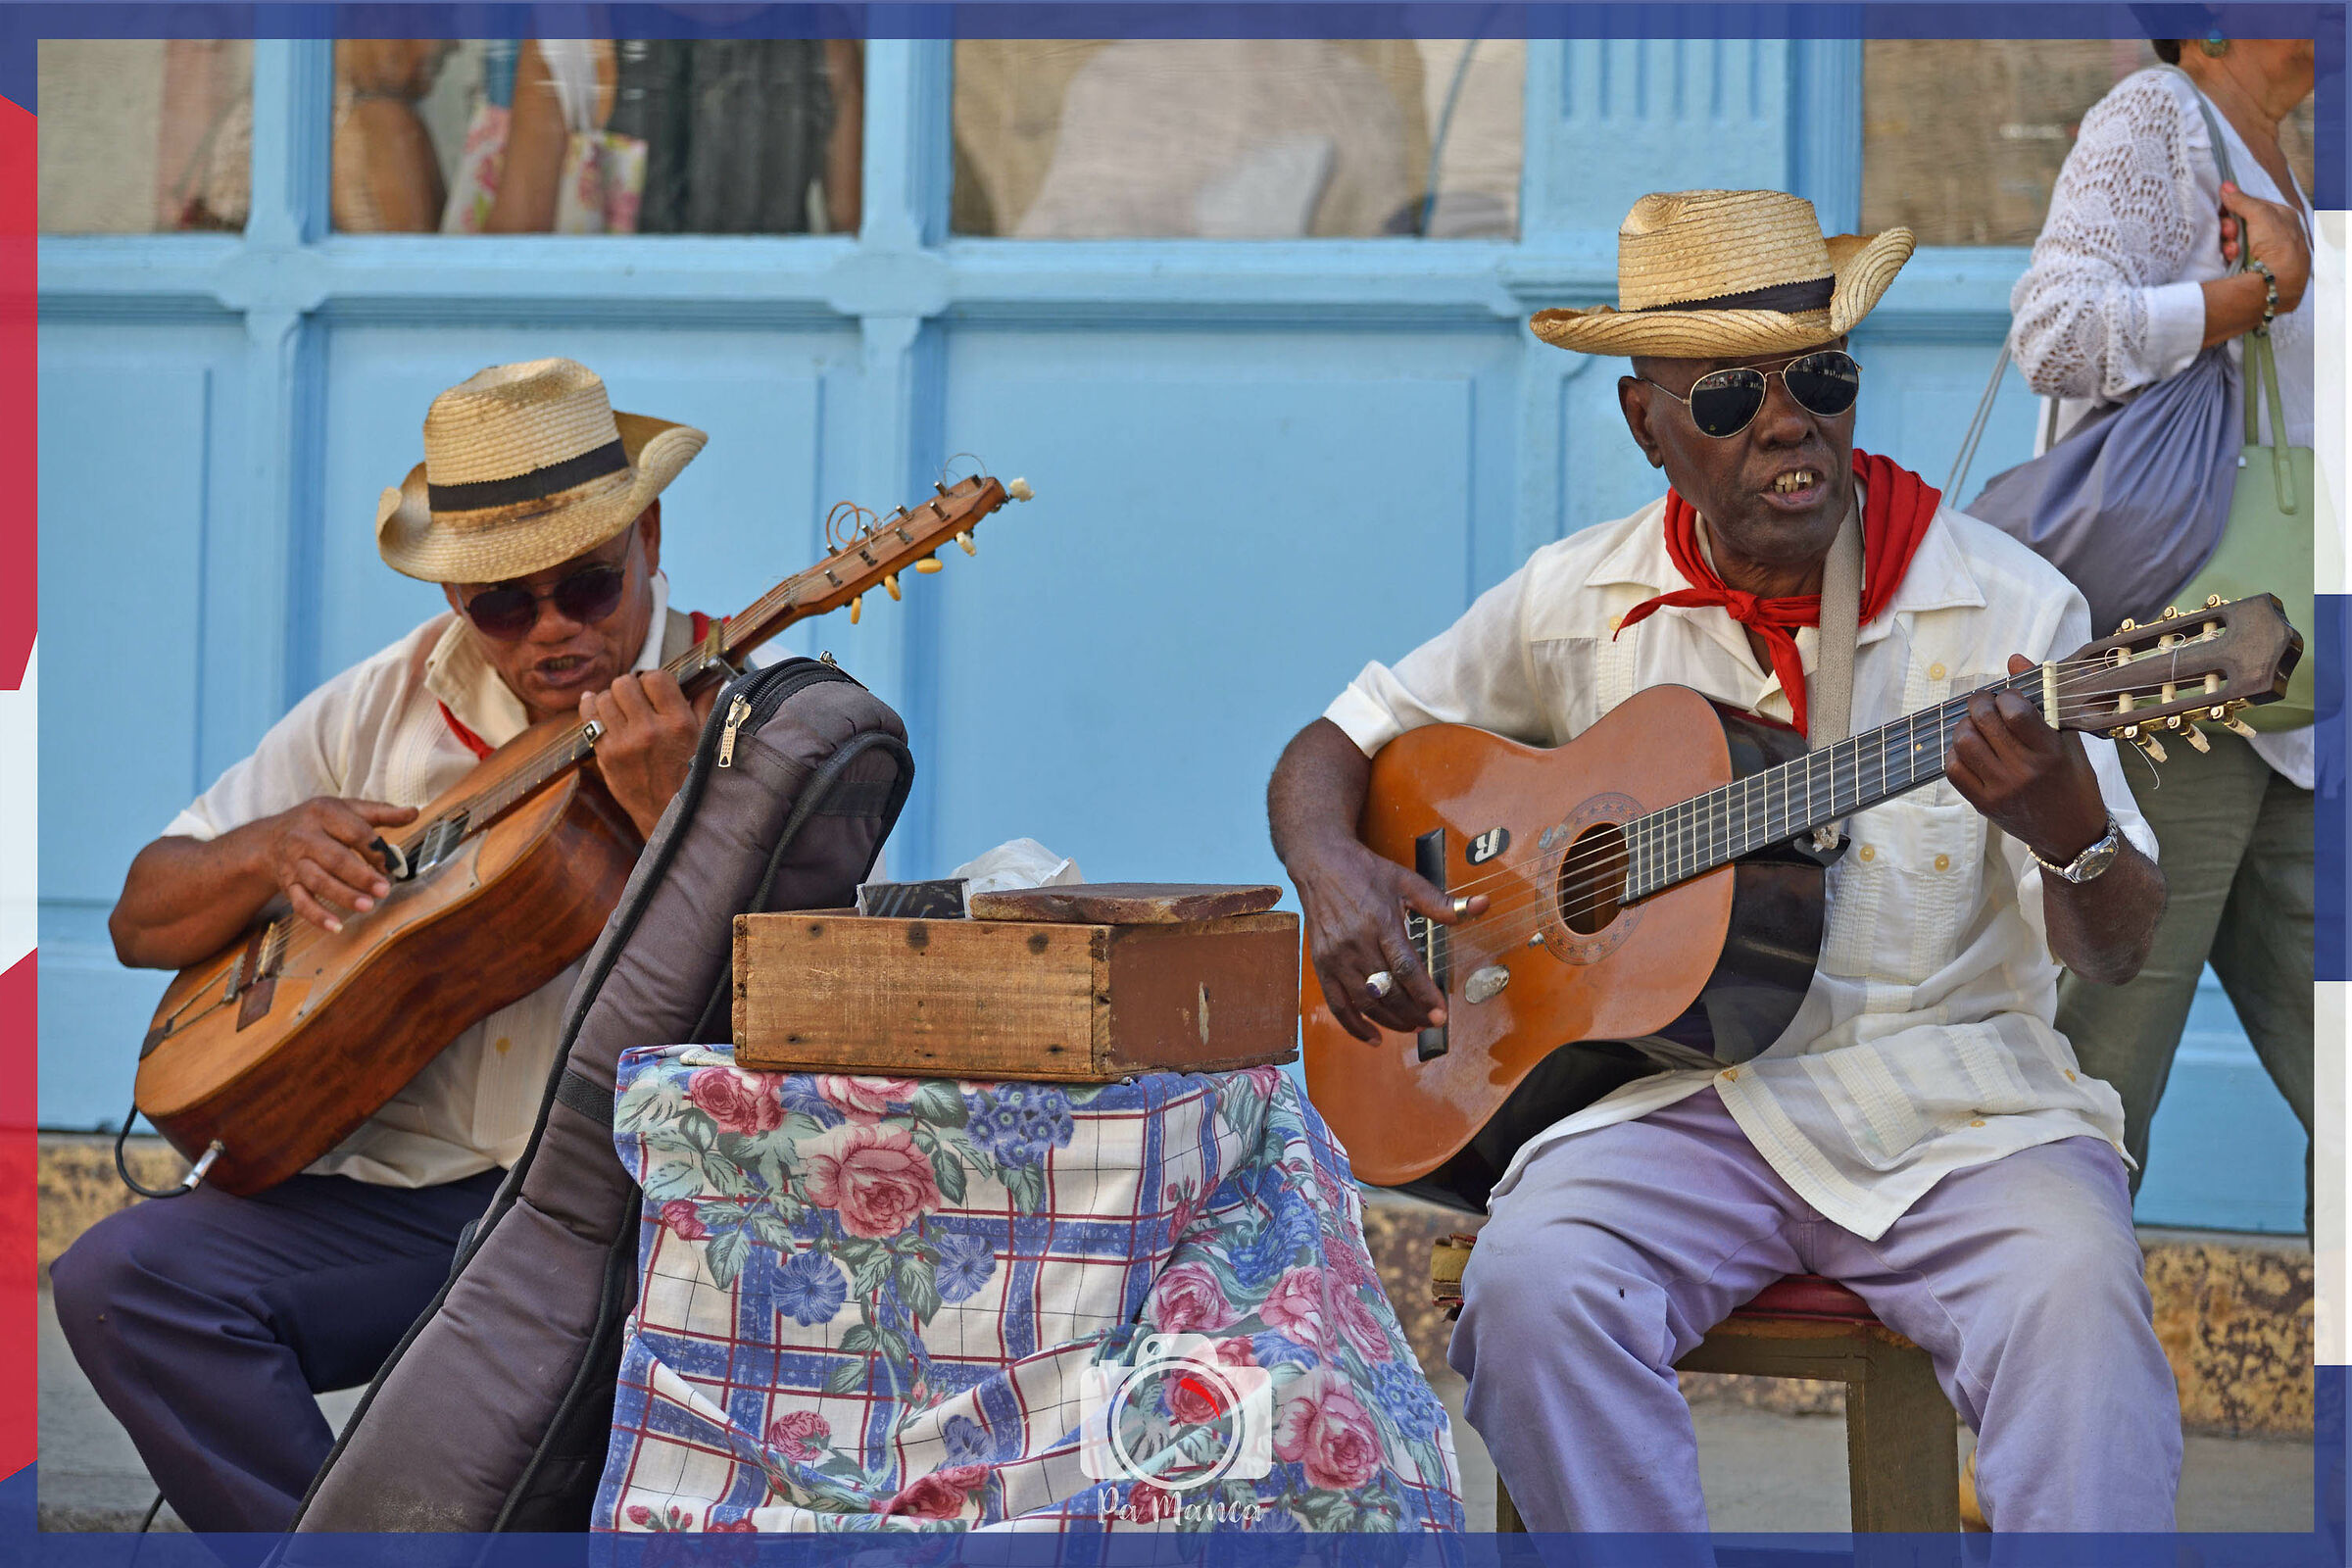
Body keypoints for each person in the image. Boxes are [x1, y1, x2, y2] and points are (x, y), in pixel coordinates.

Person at [1266, 190, 2182, 1531]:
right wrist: (1335, 875)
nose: (1787, 423)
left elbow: (2120, 941)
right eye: (1726, 401)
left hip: (1962, 1113)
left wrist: (2072, 835)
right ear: (1647, 422)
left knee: (2080, 1308)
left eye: (1820, 378)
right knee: (1533, 1285)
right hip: (1689, 1106)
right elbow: (1336, 744)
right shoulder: (1572, 597)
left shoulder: (2012, 608)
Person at [53, 359, 716, 1533]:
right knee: (124, 1283)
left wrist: (680, 829)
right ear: (459, 594)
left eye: (587, 588)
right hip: (401, 1206)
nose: (554, 631)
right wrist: (267, 855)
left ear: (649, 537)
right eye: (507, 605)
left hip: (629, 1215)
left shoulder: (755, 716)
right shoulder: (384, 700)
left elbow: (810, 1013)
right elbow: (140, 915)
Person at [2009, 33, 2316, 1224]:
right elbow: (2055, 330)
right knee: (2095, 1093)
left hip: (2297, 703)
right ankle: (2044, 1378)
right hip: (2172, 690)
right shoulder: (2161, 118)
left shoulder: (2289, 159)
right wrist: (2252, 294)